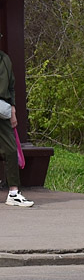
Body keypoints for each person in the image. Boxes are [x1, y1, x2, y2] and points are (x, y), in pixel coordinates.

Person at [0, 33, 33, 207]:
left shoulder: (5, 59)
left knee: (11, 150)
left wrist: (12, 109)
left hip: (2, 110)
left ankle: (13, 193)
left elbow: (11, 87)